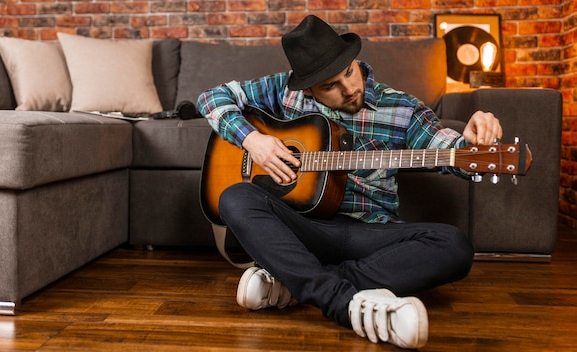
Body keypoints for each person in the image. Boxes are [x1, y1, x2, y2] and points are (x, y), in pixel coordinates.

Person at [197, 15, 502, 349]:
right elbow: (211, 97)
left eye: (349, 72)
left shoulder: (402, 108)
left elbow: (445, 145)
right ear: (309, 89)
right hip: (306, 228)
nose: (350, 89)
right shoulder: (285, 93)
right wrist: (253, 140)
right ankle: (346, 301)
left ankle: (296, 281)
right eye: (330, 86)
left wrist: (474, 147)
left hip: (370, 233)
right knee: (235, 197)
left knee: (454, 246)